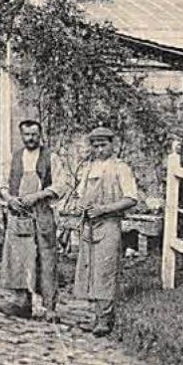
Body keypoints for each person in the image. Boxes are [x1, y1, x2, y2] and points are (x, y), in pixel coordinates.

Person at [63, 125, 140, 335]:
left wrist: (104, 209)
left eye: (103, 145)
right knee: (90, 271)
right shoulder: (87, 168)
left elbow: (131, 198)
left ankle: (105, 319)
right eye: (95, 145)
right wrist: (81, 206)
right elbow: (80, 194)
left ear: (112, 145)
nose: (99, 150)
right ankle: (95, 316)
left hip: (109, 224)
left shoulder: (120, 168)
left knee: (105, 270)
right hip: (89, 225)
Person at [0, 117, 66, 321]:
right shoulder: (14, 157)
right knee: (18, 259)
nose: (31, 138)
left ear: (40, 135)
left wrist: (38, 195)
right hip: (19, 215)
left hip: (42, 214)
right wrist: (10, 199)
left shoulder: (51, 157)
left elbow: (61, 185)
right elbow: (3, 184)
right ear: (22, 136)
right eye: (27, 135)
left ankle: (49, 307)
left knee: (46, 260)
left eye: (34, 134)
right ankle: (21, 303)